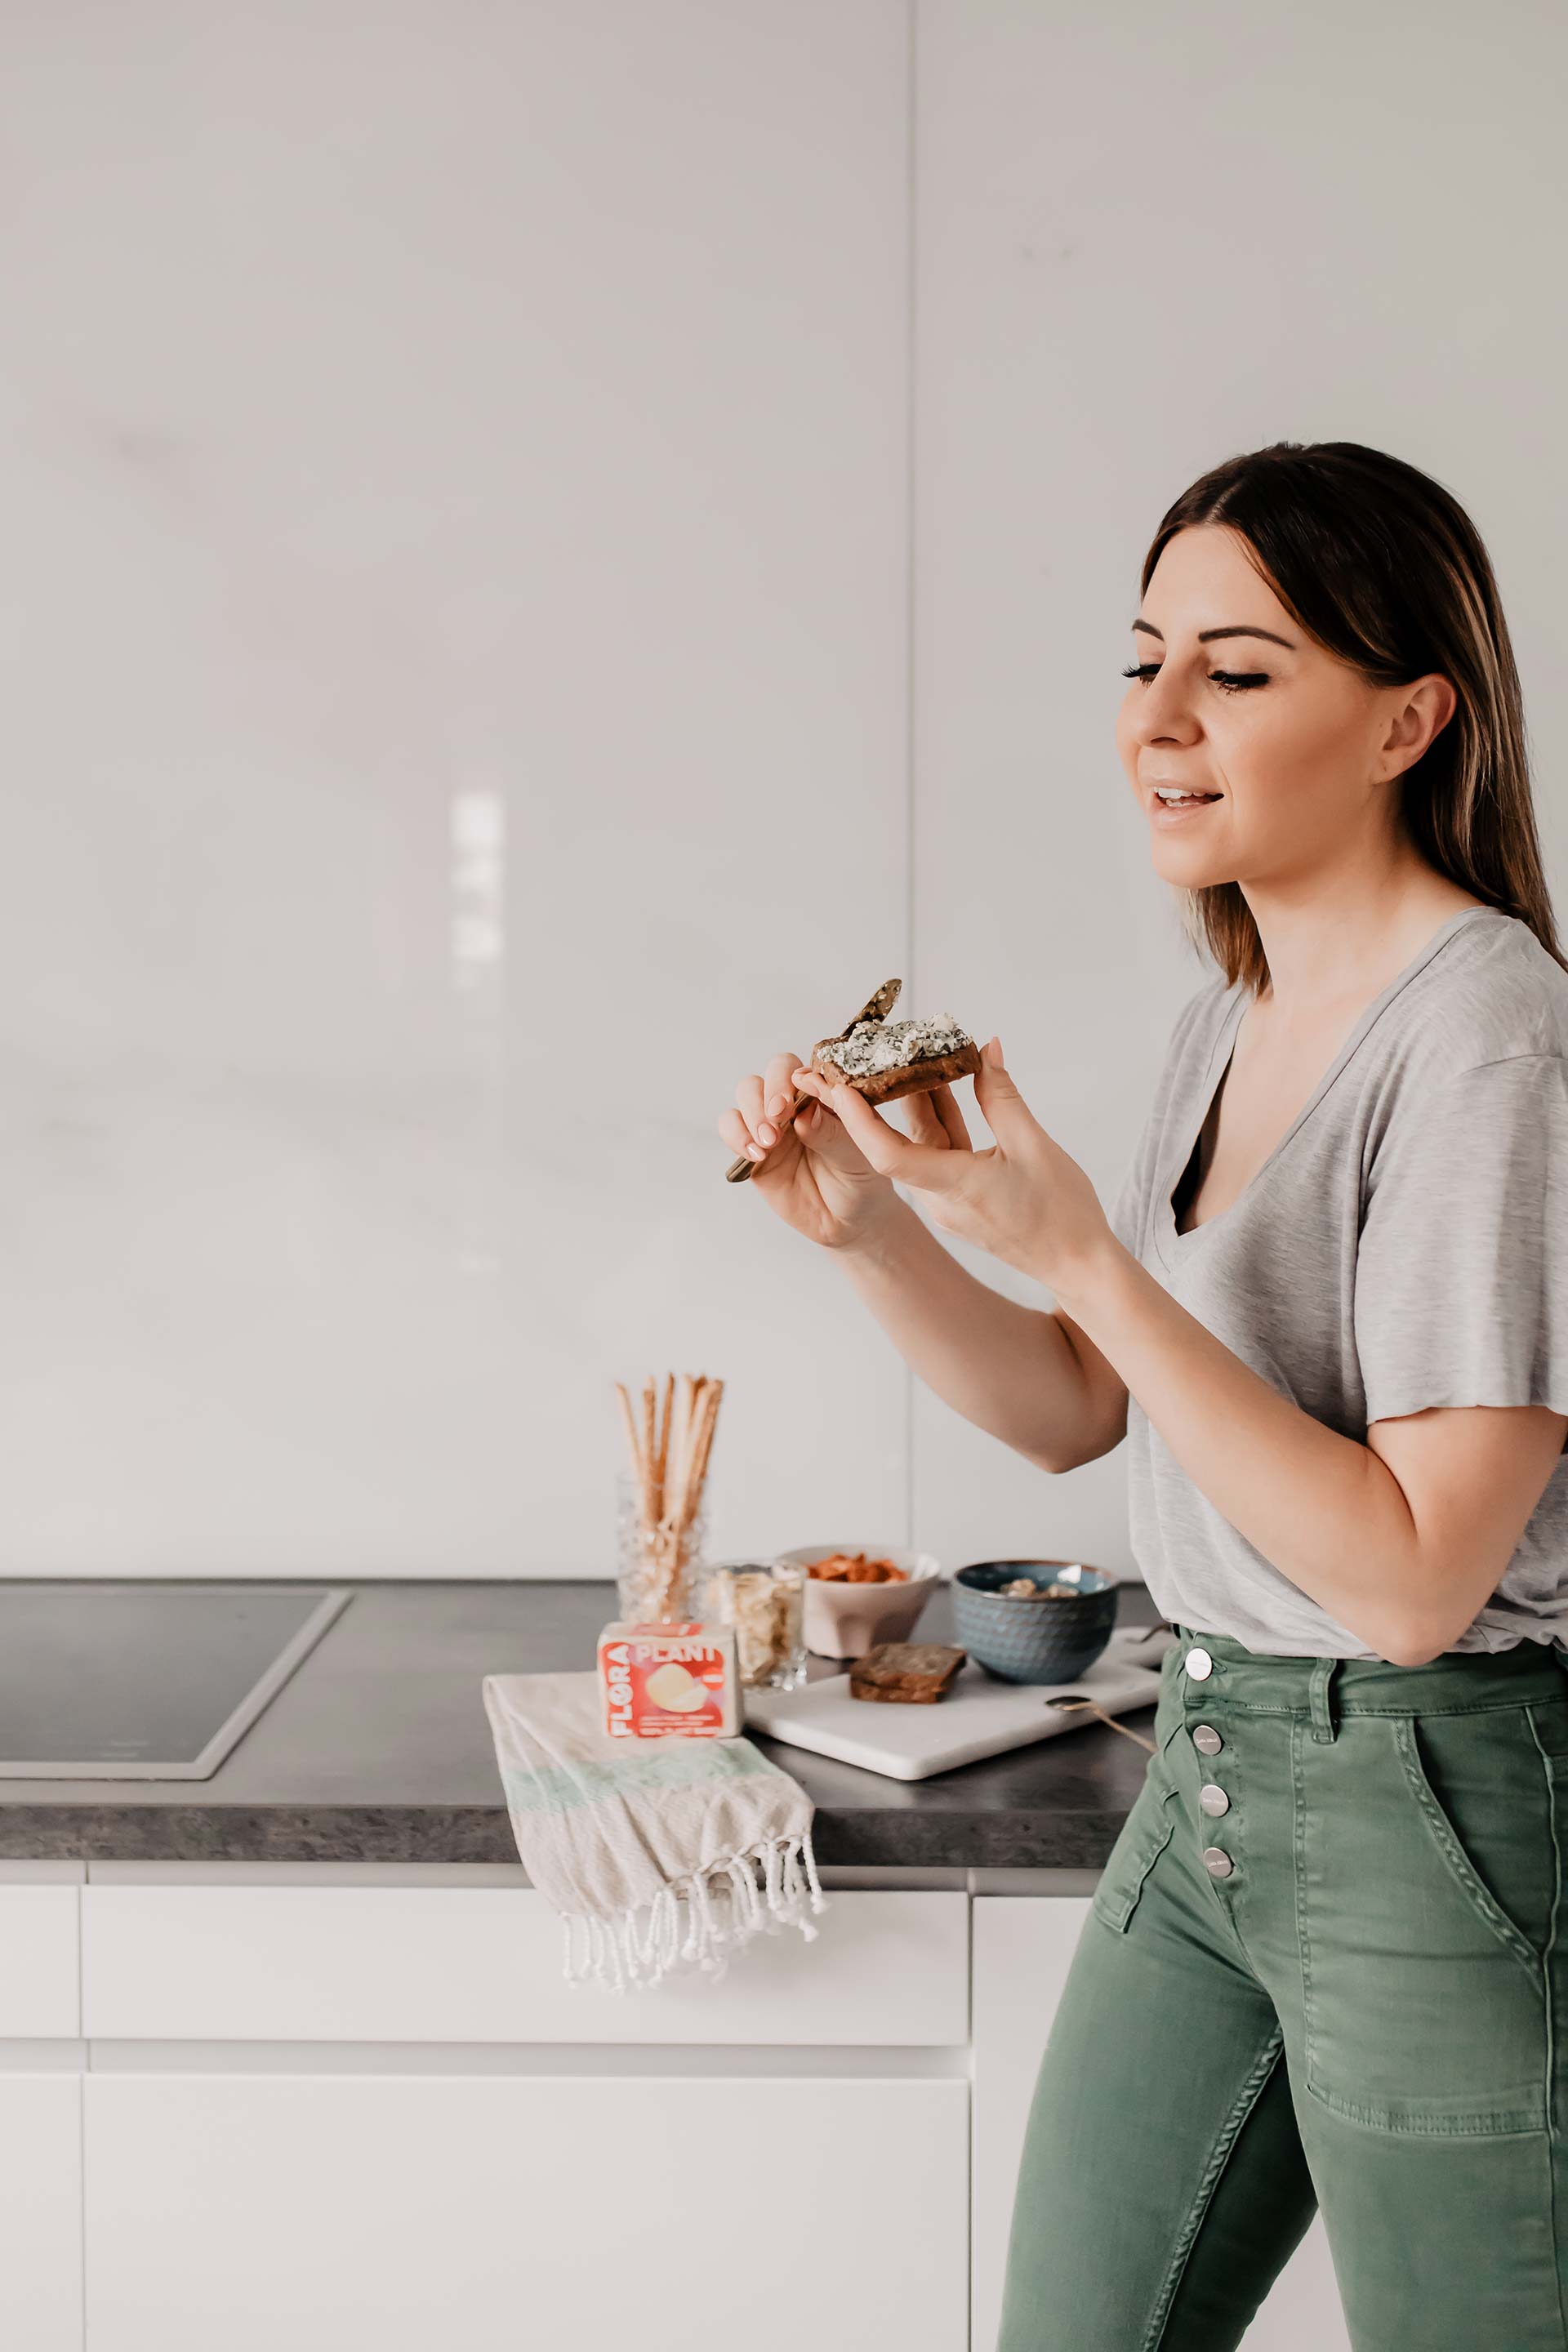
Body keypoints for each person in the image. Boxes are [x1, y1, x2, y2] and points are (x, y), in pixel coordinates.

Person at [716, 439, 1568, 2349]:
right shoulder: (1232, 1011)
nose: (1159, 721)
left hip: (1424, 1803)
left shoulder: (1491, 1039)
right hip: (1210, 1779)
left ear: (1406, 719)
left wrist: (1087, 1248)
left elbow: (1421, 1582)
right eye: (1143, 659)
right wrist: (869, 1232)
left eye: (1239, 671)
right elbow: (1077, 1411)